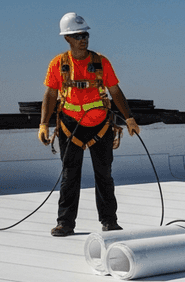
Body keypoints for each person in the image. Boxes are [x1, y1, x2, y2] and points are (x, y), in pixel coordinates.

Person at [38, 13, 140, 237]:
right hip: (69, 126)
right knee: (69, 175)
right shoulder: (59, 64)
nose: (83, 39)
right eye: (78, 35)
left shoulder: (101, 62)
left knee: (104, 174)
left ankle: (109, 221)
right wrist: (43, 124)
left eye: (85, 34)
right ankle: (65, 223)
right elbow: (51, 94)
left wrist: (129, 118)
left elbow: (114, 91)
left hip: (99, 125)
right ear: (67, 39)